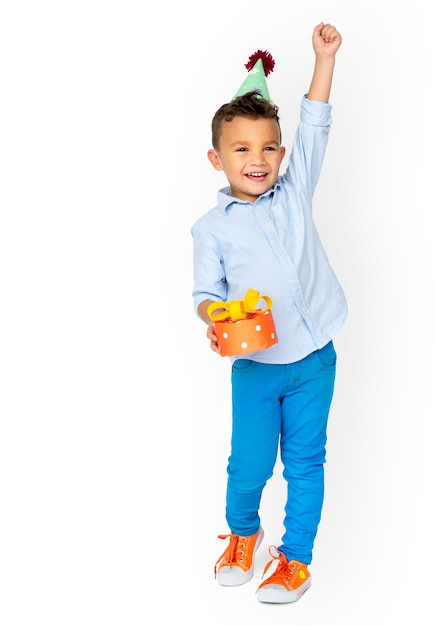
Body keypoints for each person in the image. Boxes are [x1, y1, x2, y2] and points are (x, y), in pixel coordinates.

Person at [191, 22, 347, 604]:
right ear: (216, 157)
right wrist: (216, 318)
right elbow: (204, 293)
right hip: (254, 365)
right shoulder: (210, 230)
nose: (256, 159)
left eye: (267, 147)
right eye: (241, 148)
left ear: (281, 153)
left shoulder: (296, 188)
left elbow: (315, 121)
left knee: (306, 462)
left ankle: (296, 559)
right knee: (249, 463)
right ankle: (243, 534)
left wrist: (324, 57)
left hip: (314, 360)